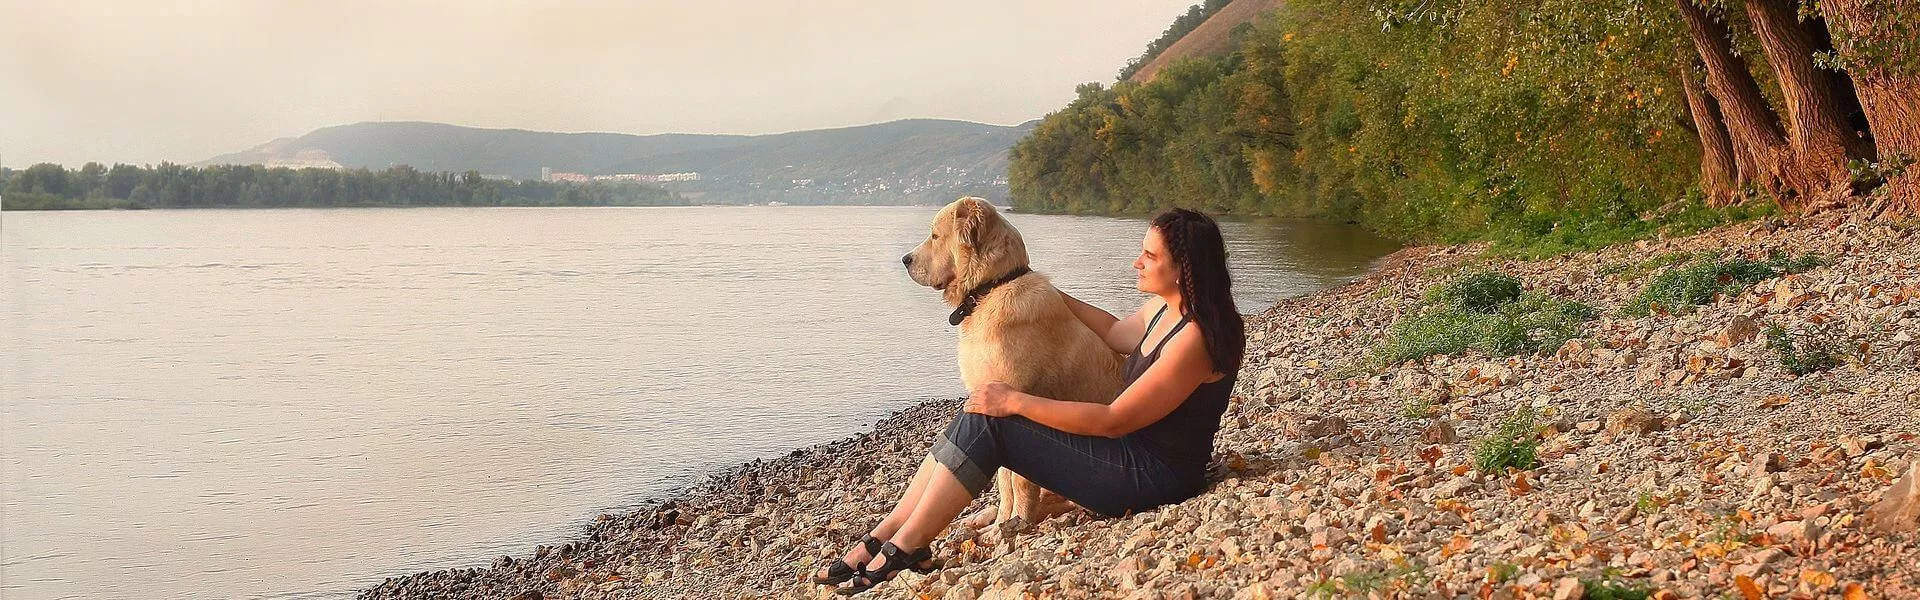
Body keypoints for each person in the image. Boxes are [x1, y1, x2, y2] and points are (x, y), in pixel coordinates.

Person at [814, 207, 1248, 595]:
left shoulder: (1196, 339)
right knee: (979, 411)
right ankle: (890, 532)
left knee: (993, 417)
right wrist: (1027, 284)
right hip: (1129, 457)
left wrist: (1015, 402)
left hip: (1149, 476)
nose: (1137, 262)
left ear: (1185, 268)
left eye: (1150, 257)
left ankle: (906, 546)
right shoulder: (1165, 308)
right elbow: (1115, 332)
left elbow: (1115, 419)